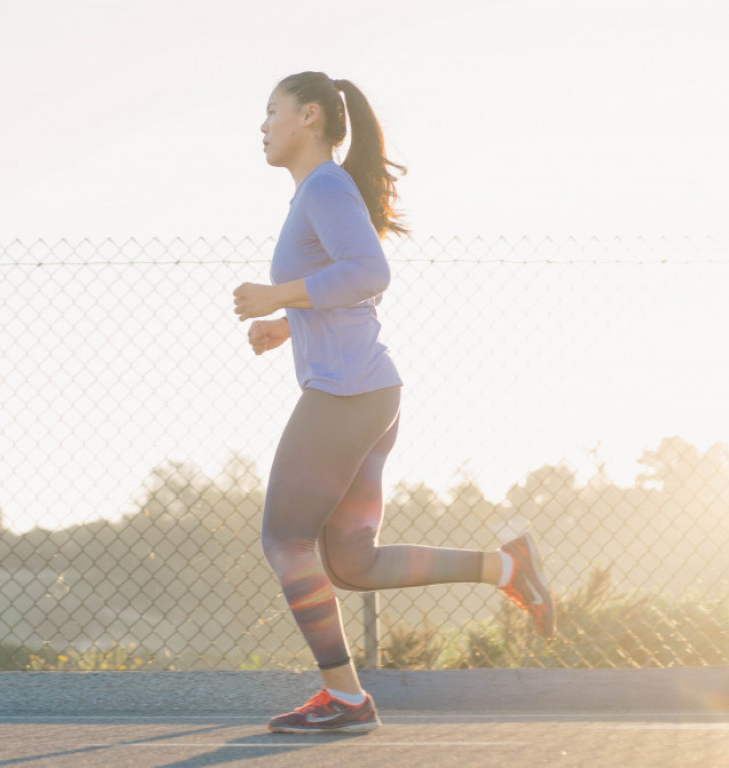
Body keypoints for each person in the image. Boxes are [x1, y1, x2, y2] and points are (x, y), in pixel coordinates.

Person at [232, 71, 555, 735]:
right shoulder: (317, 193)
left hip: (348, 395)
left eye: (272, 111)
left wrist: (277, 295)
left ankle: (347, 700)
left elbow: (370, 273)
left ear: (311, 117)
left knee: (285, 538)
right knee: (351, 561)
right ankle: (508, 566)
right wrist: (287, 323)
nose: (262, 126)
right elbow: (348, 288)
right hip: (369, 392)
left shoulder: (323, 186)